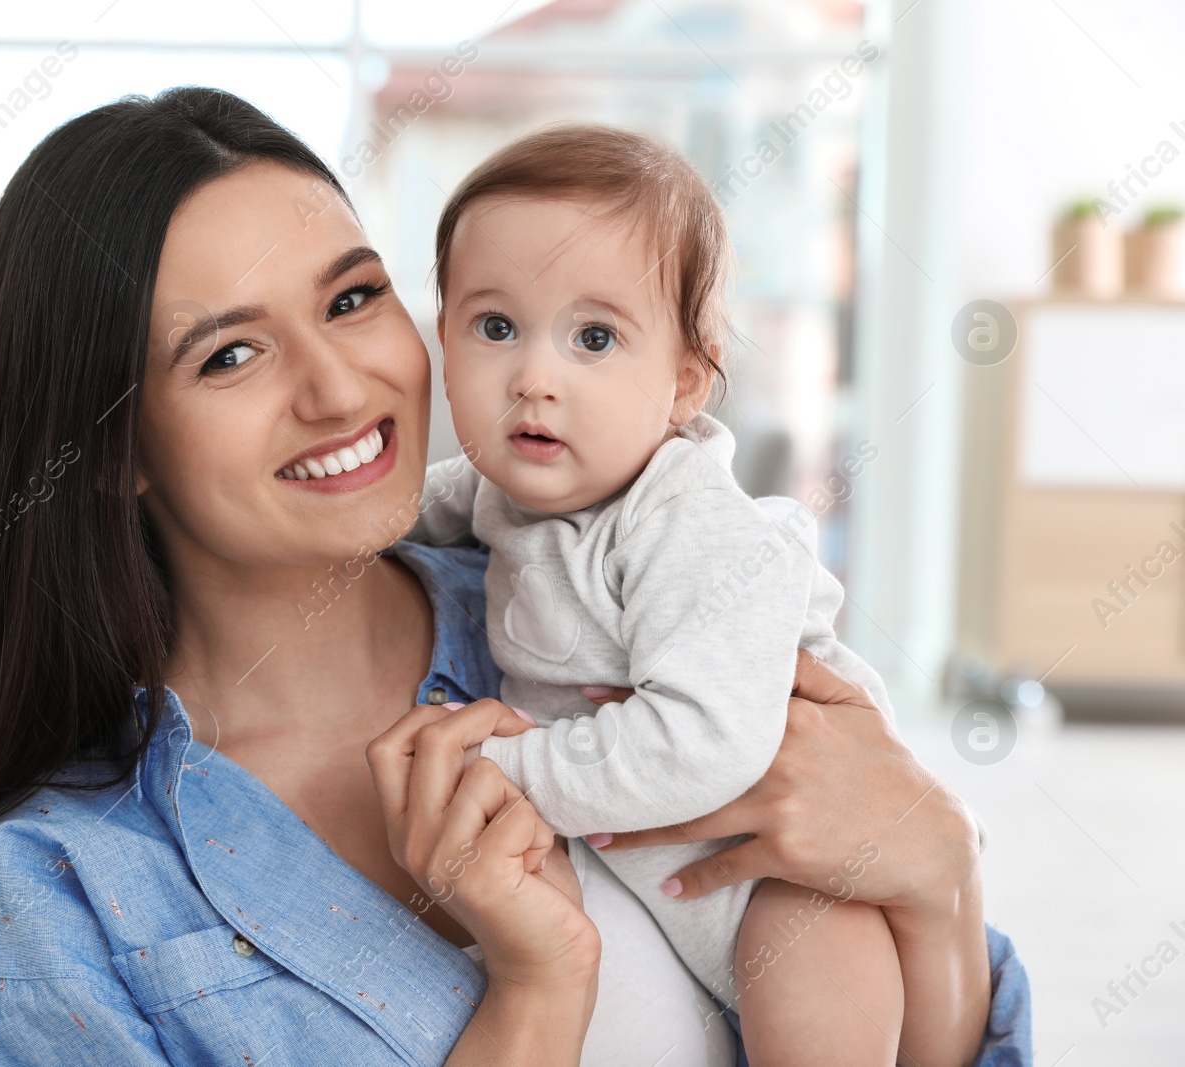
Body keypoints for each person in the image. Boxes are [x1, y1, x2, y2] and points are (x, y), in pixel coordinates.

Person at [0, 87, 1032, 1067]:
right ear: (109, 447)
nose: (340, 387)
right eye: (230, 352)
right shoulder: (58, 901)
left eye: (350, 299)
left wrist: (941, 882)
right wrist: (534, 990)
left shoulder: (599, 614)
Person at [409, 123, 979, 1065]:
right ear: (446, 339)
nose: (534, 379)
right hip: (651, 858)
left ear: (682, 379)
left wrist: (514, 776)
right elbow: (417, 510)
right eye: (495, 327)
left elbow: (710, 737)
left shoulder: (690, 523)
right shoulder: (500, 488)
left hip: (789, 873)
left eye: (594, 337)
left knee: (813, 988)